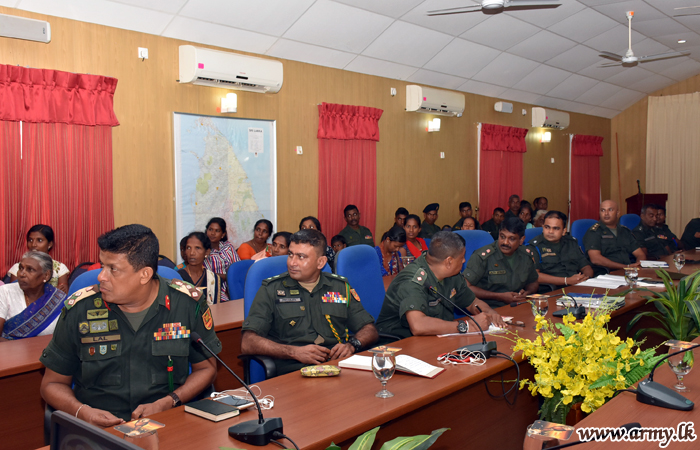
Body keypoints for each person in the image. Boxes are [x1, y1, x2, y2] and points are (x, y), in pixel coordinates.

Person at [40, 224, 221, 425]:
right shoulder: (79, 309)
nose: (101, 276)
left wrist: (170, 401)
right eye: (102, 266)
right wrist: (83, 412)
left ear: (144, 275)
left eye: (113, 269)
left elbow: (206, 368)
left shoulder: (186, 304)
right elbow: (52, 384)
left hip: (165, 422)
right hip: (97, 429)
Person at [241, 229, 378, 375]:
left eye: (301, 257)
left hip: (336, 368)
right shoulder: (272, 290)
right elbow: (247, 342)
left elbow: (369, 329)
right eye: (290, 254)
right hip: (294, 371)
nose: (292, 262)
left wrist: (352, 345)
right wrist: (293, 352)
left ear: (321, 262)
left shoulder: (339, 287)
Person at [376, 231, 504, 340]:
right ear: (449, 261)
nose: (464, 260)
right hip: (397, 344)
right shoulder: (413, 281)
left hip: (434, 338)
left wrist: (490, 314)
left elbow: (472, 302)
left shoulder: (452, 275)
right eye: (462, 257)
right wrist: (466, 326)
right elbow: (418, 325)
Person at [463, 218, 539, 308]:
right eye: (502, 237)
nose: (505, 242)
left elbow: (533, 282)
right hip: (490, 307)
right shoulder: (483, 257)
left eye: (512, 239)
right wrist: (499, 296)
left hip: (517, 305)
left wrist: (527, 293)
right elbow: (466, 287)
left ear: (521, 240)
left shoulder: (526, 255)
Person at [0, 251, 65, 340]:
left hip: (47, 348)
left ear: (46, 275)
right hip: (9, 348)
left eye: (30, 270)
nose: (22, 274)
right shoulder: (5, 292)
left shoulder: (58, 300)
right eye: (21, 268)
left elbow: (65, 338)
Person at [526, 211, 593, 289]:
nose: (550, 231)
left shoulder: (571, 242)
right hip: (552, 290)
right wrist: (566, 281)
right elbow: (534, 275)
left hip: (577, 286)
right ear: (543, 227)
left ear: (564, 231)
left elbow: (585, 267)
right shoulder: (534, 246)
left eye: (556, 228)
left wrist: (585, 278)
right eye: (547, 227)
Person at [583, 200, 645, 275]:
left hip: (627, 272)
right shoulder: (594, 232)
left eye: (610, 210)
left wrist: (638, 265)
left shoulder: (625, 231)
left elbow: (640, 254)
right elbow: (595, 259)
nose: (606, 213)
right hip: (606, 273)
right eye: (603, 210)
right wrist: (625, 267)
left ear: (617, 213)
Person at [7, 225, 69, 293]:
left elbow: (63, 293)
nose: (33, 244)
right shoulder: (18, 268)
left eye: (39, 240)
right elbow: (15, 293)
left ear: (50, 244)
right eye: (30, 240)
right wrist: (52, 291)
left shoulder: (59, 268)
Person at [177, 232, 222, 305]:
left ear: (207, 252)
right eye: (188, 248)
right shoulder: (178, 277)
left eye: (197, 248)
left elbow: (216, 307)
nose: (192, 253)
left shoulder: (213, 279)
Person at [204, 217, 239, 301]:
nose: (213, 233)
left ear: (223, 234)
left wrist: (230, 278)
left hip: (234, 285)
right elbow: (209, 275)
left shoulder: (228, 246)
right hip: (215, 289)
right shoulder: (204, 252)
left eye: (217, 231)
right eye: (210, 229)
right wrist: (228, 277)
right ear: (206, 231)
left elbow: (238, 268)